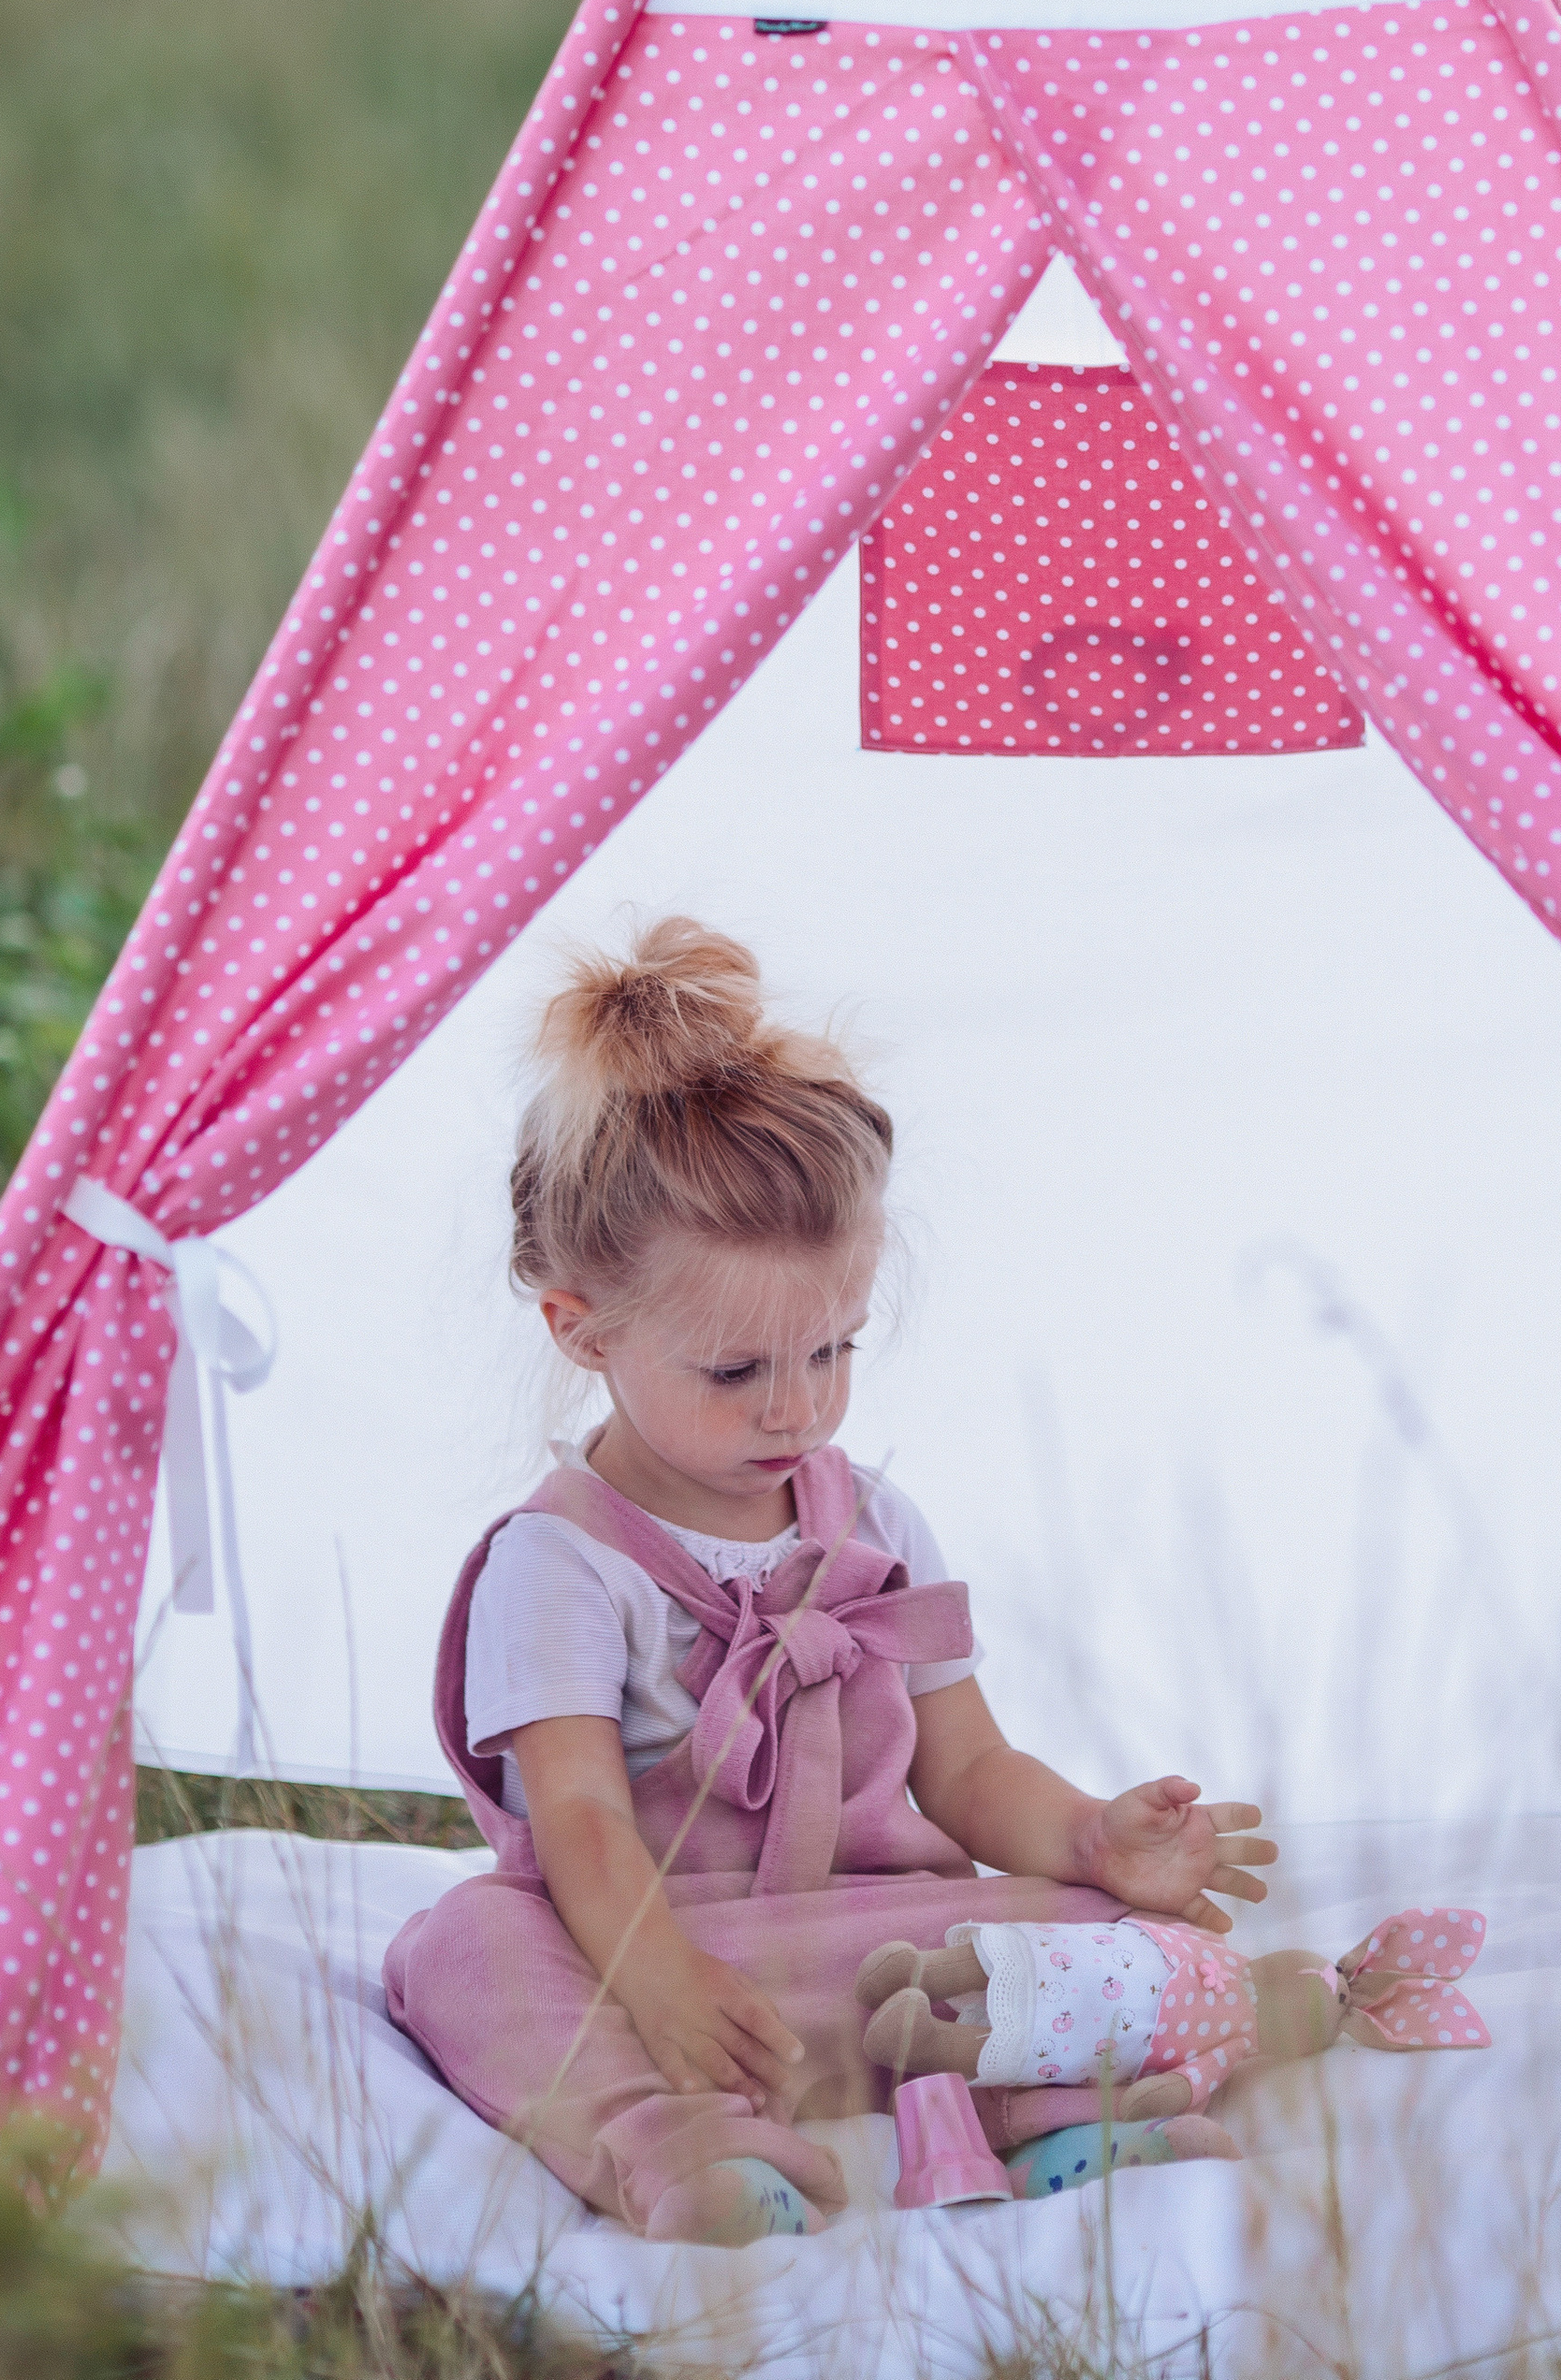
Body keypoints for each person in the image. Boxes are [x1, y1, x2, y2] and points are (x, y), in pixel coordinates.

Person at [385, 915, 1275, 2247]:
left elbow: (967, 1772)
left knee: (1096, 1927)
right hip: (659, 1957)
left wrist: (1096, 1840)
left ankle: (1067, 2118)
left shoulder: (877, 1518)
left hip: (882, 1953)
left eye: (834, 1351)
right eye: (737, 1373)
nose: (795, 1409)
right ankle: (677, 2141)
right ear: (582, 1328)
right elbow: (576, 1823)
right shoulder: (560, 1560)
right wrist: (665, 1978)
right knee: (457, 1952)